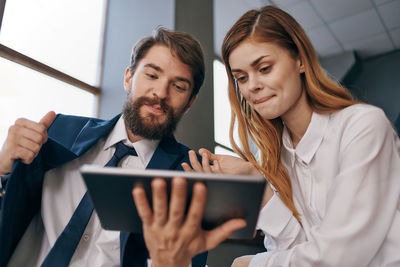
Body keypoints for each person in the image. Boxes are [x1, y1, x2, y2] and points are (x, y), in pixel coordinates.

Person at [0, 27, 245, 267]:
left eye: (178, 86)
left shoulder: (190, 176)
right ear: (128, 77)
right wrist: (2, 168)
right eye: (152, 75)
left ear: (190, 102)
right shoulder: (57, 131)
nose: (160, 93)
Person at [183, 6, 400, 267]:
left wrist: (252, 264)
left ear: (300, 60)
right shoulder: (278, 157)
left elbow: (340, 257)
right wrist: (256, 182)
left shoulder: (363, 127)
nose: (252, 86)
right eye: (241, 78)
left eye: (264, 68)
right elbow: (298, 247)